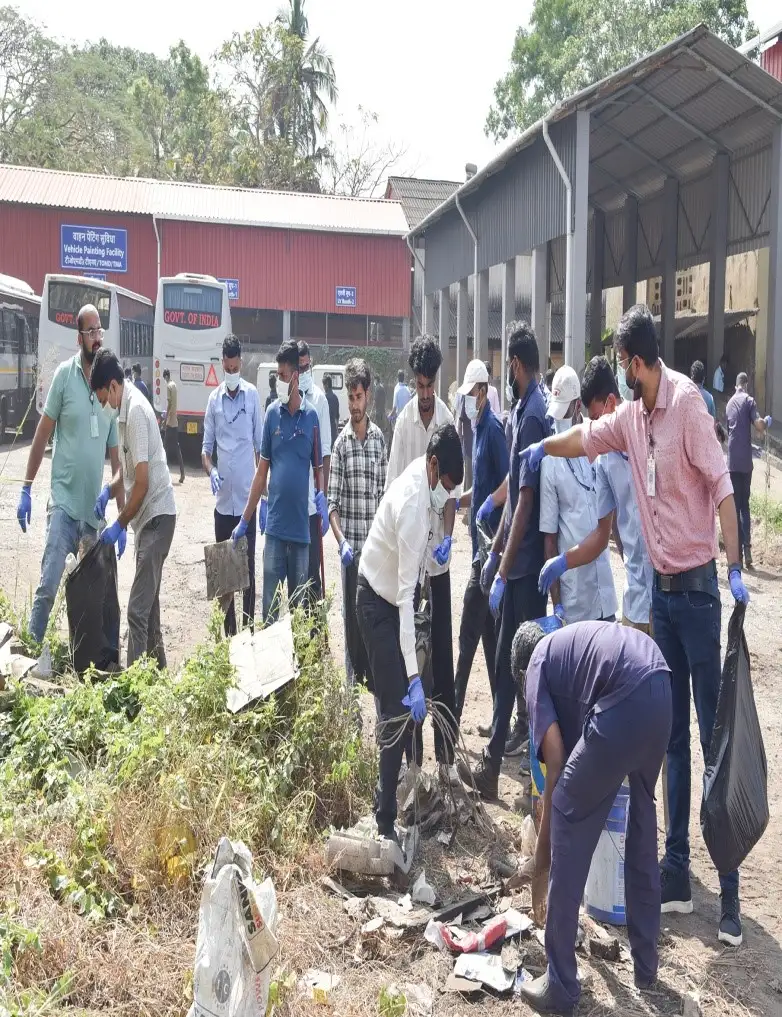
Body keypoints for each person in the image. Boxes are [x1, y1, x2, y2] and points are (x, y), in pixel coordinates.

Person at [520, 304, 750, 946]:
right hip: (661, 605)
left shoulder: (687, 408)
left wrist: (734, 567)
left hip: (700, 592)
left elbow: (725, 488)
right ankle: (676, 873)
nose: (624, 378)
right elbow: (584, 439)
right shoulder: (632, 417)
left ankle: (729, 896)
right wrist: (542, 445)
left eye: (627, 366)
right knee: (670, 739)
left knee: (713, 741)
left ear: (643, 363)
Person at [515, 620, 672, 1015]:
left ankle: (560, 985)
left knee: (567, 811)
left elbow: (555, 763)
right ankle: (646, 966)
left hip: (626, 699)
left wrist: (542, 861)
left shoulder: (535, 664)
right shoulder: (568, 650)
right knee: (641, 824)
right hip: (660, 687)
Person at [356, 424, 464, 841]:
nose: (448, 495)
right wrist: (415, 679)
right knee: (397, 710)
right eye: (449, 486)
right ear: (434, 464)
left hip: (392, 600)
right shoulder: (415, 505)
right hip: (377, 604)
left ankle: (392, 800)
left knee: (396, 709)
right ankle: (384, 825)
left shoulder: (427, 481)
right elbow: (401, 602)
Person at [460, 322, 548, 798]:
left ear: (515, 364)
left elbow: (526, 502)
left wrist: (504, 562)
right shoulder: (522, 409)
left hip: (527, 568)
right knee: (502, 665)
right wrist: (494, 556)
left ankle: (535, 785)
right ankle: (493, 768)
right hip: (512, 564)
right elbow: (512, 492)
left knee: (528, 672)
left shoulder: (532, 415)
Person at [17, 304, 124, 645]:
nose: (97, 337)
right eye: (90, 331)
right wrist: (26, 487)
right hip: (63, 506)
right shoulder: (64, 376)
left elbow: (116, 461)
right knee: (49, 584)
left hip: (92, 515)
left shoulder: (108, 386)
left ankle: (85, 661)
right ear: (79, 337)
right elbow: (42, 433)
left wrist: (121, 518)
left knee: (92, 597)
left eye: (100, 331)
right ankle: (29, 654)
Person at [387, 334, 460, 784]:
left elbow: (450, 493)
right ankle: (412, 763)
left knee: (442, 661)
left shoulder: (448, 420)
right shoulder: (403, 425)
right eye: (421, 386)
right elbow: (395, 489)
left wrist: (449, 537)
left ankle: (447, 761)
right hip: (410, 559)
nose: (427, 394)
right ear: (414, 383)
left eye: (432, 385)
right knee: (412, 655)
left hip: (438, 562)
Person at [541, 357, 653, 633]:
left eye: (595, 419)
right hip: (633, 596)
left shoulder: (648, 433)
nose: (594, 430)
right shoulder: (602, 459)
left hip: (666, 591)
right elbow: (603, 533)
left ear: (611, 404)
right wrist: (562, 562)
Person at [91, 349, 177, 668]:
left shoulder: (137, 412)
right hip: (149, 521)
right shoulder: (124, 414)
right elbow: (127, 474)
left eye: (104, 398)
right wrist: (109, 490)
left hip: (157, 518)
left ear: (114, 386)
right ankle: (160, 685)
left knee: (136, 614)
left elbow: (141, 484)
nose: (104, 405)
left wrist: (120, 523)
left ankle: (134, 698)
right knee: (150, 613)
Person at [232, 340, 324, 625]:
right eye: (277, 376)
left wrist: (322, 498)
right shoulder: (272, 414)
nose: (279, 382)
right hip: (275, 530)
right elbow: (262, 473)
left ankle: (297, 669)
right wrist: (245, 520)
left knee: (298, 613)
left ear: (295, 376)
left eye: (283, 376)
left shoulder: (312, 419)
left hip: (301, 533)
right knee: (270, 612)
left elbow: (319, 467)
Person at [452, 360, 509, 728]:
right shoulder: (477, 429)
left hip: (488, 555)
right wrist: (462, 500)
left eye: (472, 394)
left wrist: (488, 502)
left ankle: (451, 717)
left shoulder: (494, 431)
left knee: (467, 637)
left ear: (484, 392)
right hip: (479, 548)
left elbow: (507, 484)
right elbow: (485, 487)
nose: (468, 401)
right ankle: (500, 721)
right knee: (490, 642)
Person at [538, 365, 617, 624]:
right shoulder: (550, 461)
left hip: (604, 588)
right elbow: (549, 536)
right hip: (576, 599)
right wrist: (557, 604)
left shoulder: (600, 442)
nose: (559, 421)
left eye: (565, 412)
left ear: (576, 408)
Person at [328, 358, 387, 684]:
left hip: (375, 555)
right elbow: (332, 503)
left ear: (368, 398)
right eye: (350, 398)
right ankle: (351, 699)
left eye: (359, 397)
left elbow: (383, 497)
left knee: (374, 621)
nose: (354, 404)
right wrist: (342, 542)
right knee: (351, 623)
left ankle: (375, 688)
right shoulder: (341, 445)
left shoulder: (379, 441)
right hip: (352, 556)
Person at [202, 335, 264, 635]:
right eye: (227, 368)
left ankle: (250, 634)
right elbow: (205, 450)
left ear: (241, 362)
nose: (231, 372)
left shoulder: (252, 397)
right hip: (223, 505)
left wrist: (261, 496)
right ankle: (230, 636)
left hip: (247, 504)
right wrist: (211, 470)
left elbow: (260, 448)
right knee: (226, 576)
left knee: (248, 574)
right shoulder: (213, 401)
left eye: (236, 367)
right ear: (222, 365)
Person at [297, 342, 332, 604]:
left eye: (307, 365)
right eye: (300, 367)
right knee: (294, 575)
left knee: (312, 574)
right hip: (291, 504)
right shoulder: (285, 402)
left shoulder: (319, 400)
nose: (305, 370)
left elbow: (326, 453)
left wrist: (324, 497)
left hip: (312, 501)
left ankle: (316, 636)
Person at [726, 372, 771, 569]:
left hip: (732, 462)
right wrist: (768, 421)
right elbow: (759, 426)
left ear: (736, 385)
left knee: (734, 507)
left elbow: (731, 433)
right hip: (745, 464)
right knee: (745, 506)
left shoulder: (729, 405)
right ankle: (747, 551)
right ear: (746, 384)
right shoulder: (749, 401)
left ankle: (737, 555)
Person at [161, 369, 185, 485]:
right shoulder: (174, 385)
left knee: (164, 447)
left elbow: (170, 404)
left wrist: (165, 420)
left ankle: (162, 474)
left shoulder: (168, 386)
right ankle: (182, 472)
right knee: (176, 447)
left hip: (170, 421)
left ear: (165, 376)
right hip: (175, 420)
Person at [323, 374, 340, 443]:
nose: (323, 387)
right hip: (333, 430)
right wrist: (336, 431)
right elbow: (337, 417)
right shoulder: (335, 398)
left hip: (326, 431)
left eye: (324, 385)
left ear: (326, 385)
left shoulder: (324, 399)